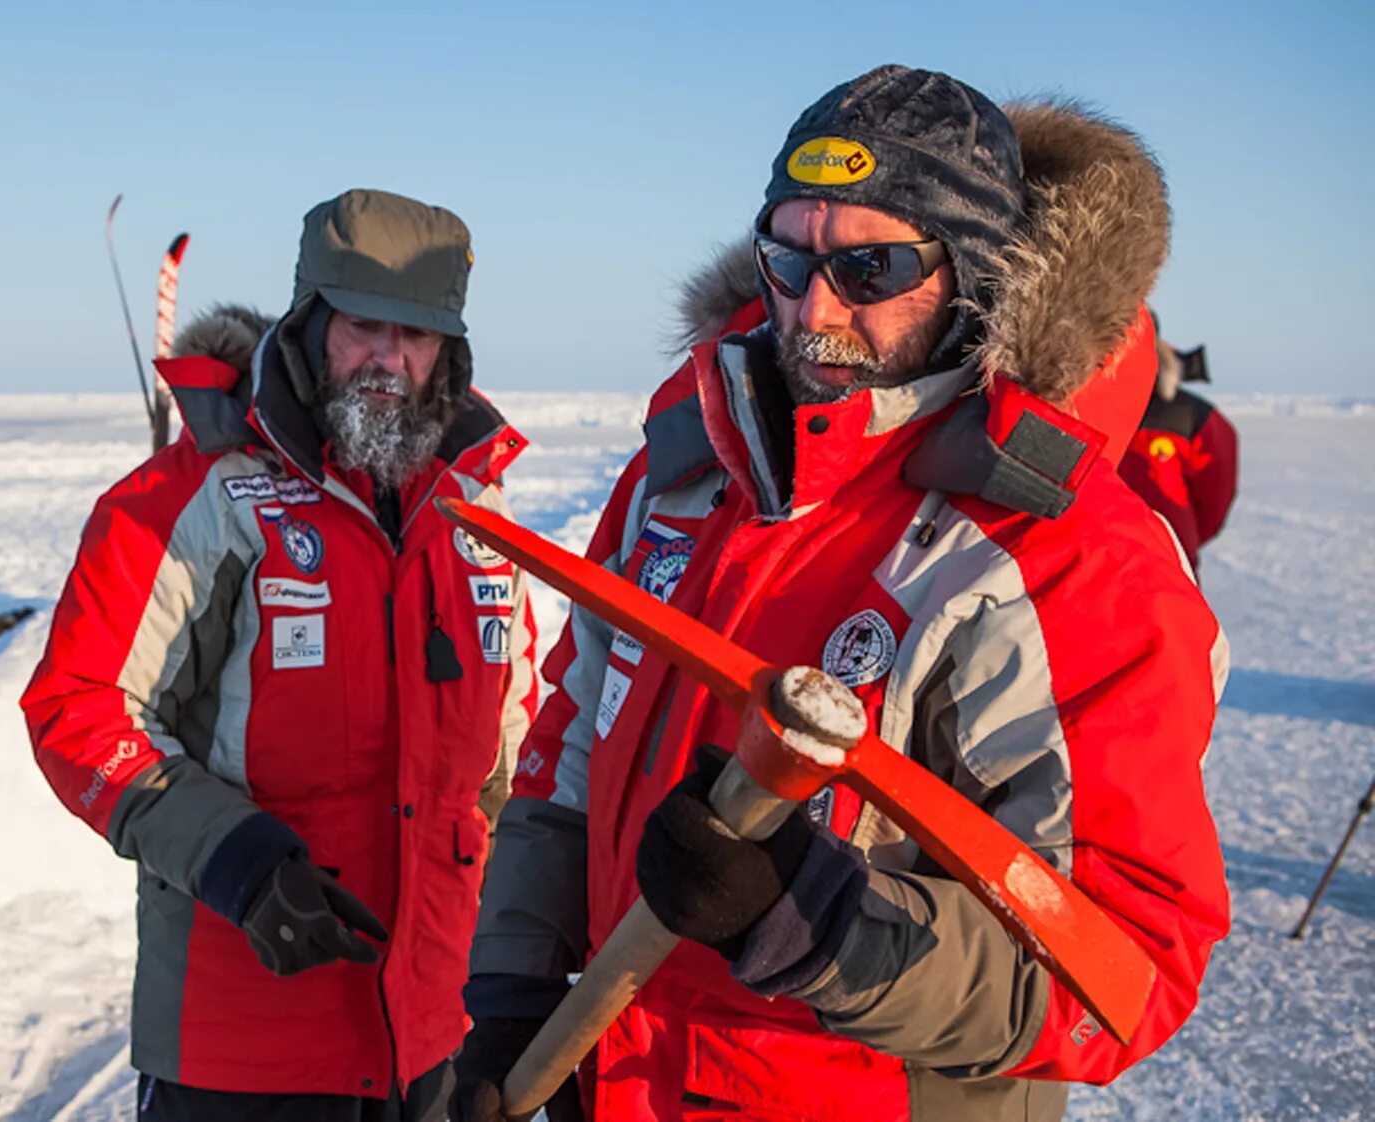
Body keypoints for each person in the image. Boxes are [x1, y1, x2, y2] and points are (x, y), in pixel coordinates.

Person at [452, 67, 1229, 1122]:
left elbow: (1128, 972)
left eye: (871, 266)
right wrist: (514, 987)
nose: (814, 308)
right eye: (788, 257)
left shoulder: (1066, 561)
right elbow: (571, 752)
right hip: (618, 1082)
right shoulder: (678, 482)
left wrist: (818, 923)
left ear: (973, 277)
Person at [21, 188, 538, 1122]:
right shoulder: (195, 498)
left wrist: (511, 945)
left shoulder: (479, 511)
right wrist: (234, 859)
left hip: (436, 1033)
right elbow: (79, 706)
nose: (390, 361)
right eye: (364, 327)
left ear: (450, 354)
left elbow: (510, 743)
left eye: (417, 337)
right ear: (309, 328)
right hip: (243, 1047)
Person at [1119, 312, 1238, 570]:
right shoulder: (1074, 401)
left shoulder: (1194, 416)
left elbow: (1214, 499)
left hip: (1167, 565)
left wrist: (1182, 537)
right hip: (1094, 566)